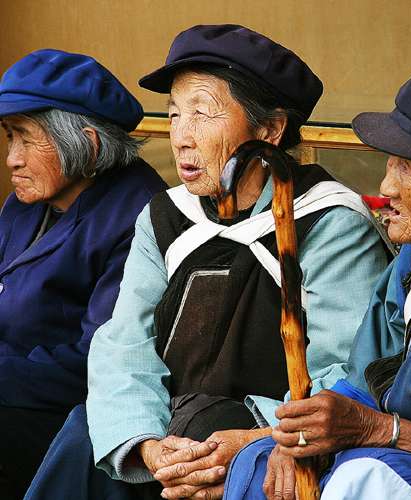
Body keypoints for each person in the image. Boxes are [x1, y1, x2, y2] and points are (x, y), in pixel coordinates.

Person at [25, 25, 389, 500]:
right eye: (175, 114)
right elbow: (125, 343)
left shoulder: (327, 220)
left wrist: (258, 438)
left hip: (262, 434)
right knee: (84, 433)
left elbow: (346, 369)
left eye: (202, 113)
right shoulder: (165, 216)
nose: (181, 137)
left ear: (270, 129)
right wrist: (146, 445)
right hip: (170, 431)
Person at [225, 68, 411, 500]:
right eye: (390, 163)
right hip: (399, 448)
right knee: (261, 462)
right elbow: (362, 379)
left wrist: (381, 430)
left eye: (406, 168)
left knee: (364, 479)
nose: (386, 187)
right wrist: (308, 432)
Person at [0, 49, 167, 498]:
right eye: (9, 137)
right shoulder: (27, 202)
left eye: (25, 138)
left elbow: (96, 360)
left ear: (87, 144)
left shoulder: (139, 216)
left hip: (64, 418)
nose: (12, 159)